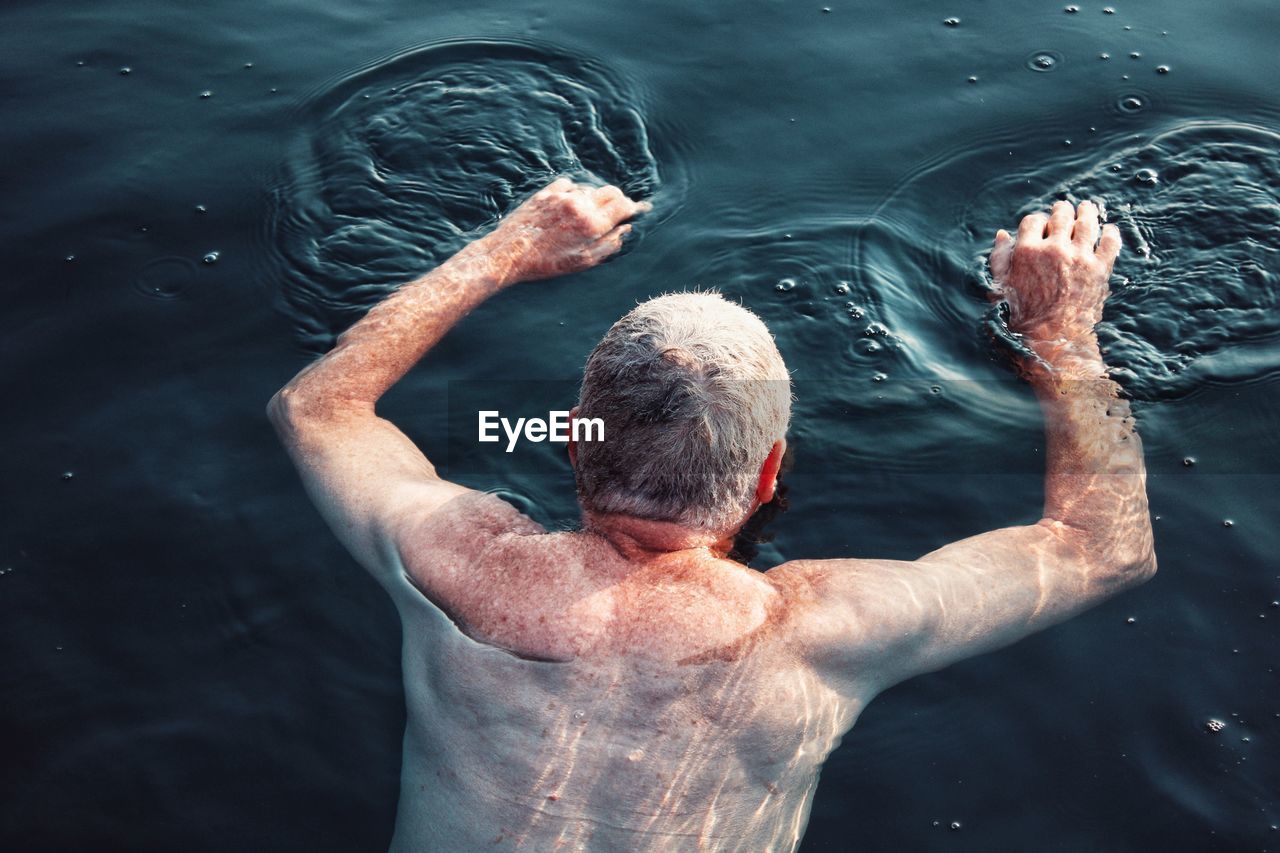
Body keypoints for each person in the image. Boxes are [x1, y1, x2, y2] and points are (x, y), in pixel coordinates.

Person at [269, 179, 1155, 851]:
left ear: (574, 446)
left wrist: (507, 249)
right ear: (770, 472)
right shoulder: (818, 631)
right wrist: (1063, 332)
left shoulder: (458, 567)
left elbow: (318, 408)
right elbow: (1103, 544)